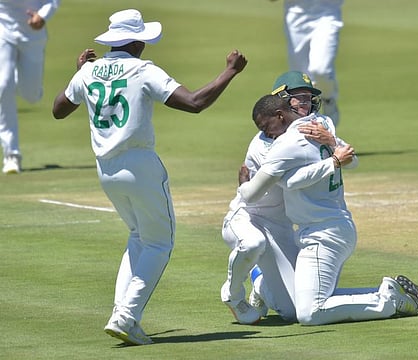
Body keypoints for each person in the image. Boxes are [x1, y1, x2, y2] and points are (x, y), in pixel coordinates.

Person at [52, 9, 247, 345]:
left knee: (138, 237)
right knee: (158, 243)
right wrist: (229, 72)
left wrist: (82, 73)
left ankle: (122, 313)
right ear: (139, 41)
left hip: (105, 169)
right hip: (140, 165)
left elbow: (58, 109)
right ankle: (126, 316)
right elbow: (195, 103)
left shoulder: (89, 71)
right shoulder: (143, 70)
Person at [239, 94, 418, 325]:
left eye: (266, 127)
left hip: (324, 233)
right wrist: (333, 155)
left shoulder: (287, 144)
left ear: (280, 115)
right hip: (330, 226)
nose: (267, 134)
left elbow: (253, 194)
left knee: (310, 313)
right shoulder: (321, 124)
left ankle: (391, 300)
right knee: (305, 301)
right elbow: (294, 181)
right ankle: (387, 291)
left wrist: (243, 183)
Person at [220, 76, 336, 324]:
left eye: (309, 98)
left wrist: (329, 140)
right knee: (253, 243)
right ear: (280, 108)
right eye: (300, 98)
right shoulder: (266, 145)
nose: (307, 105)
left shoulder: (310, 130)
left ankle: (261, 282)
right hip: (247, 218)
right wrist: (333, 161)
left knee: (293, 312)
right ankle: (232, 294)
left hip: (280, 227)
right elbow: (288, 182)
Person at [0, 0, 60, 174]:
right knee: (3, 85)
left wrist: (43, 15)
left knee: (31, 95)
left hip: (33, 34)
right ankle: (11, 154)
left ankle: (17, 77)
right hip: (3, 28)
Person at [269, 0, 344, 126]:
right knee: (300, 81)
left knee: (321, 69)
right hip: (296, 18)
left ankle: (328, 100)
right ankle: (306, 126)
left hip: (327, 15)